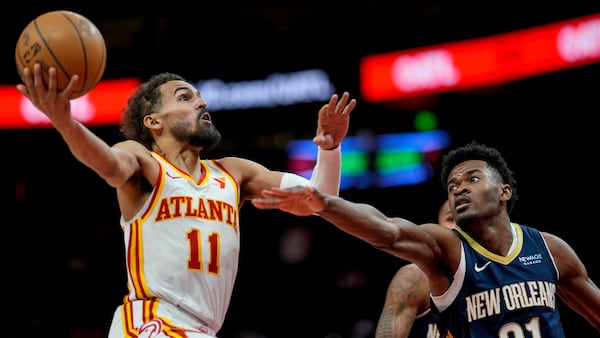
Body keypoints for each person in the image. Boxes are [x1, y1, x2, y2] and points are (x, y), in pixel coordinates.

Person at [16, 64, 357, 337]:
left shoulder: (234, 173)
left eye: (199, 97)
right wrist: (65, 122)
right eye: (185, 98)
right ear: (154, 122)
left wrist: (329, 149)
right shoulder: (144, 161)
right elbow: (107, 163)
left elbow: (321, 201)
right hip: (152, 323)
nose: (201, 103)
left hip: (201, 329)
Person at [251, 141, 600, 337]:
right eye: (452, 186)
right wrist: (326, 204)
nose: (459, 187)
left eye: (473, 179)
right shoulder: (446, 247)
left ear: (504, 191)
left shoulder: (550, 250)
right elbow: (388, 231)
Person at [375, 200, 455, 338]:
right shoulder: (415, 277)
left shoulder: (497, 273)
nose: (457, 226)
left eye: (463, 219)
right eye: (451, 219)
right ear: (438, 227)